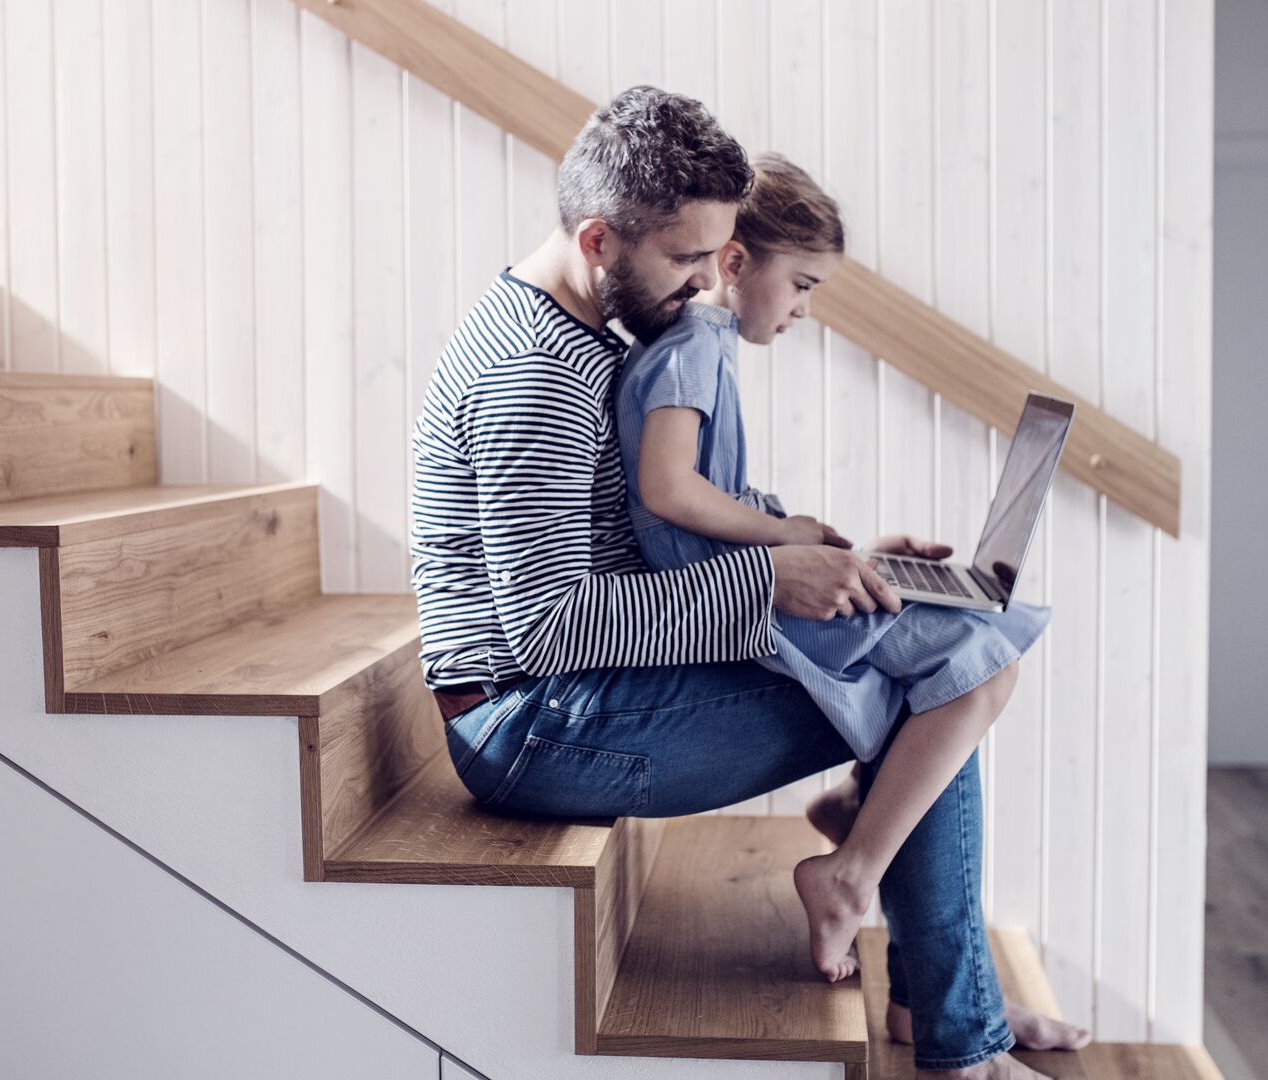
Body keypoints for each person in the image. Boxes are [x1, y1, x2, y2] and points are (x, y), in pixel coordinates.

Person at [409, 85, 1088, 1078]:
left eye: (719, 255)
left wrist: (838, 566)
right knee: (936, 680)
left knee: (936, 653)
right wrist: (773, 581)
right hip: (529, 725)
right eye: (687, 260)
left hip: (579, 692)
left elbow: (646, 535)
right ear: (599, 240)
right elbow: (549, 628)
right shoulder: (534, 375)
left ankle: (941, 992)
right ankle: (957, 1032)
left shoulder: (583, 327)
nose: (705, 284)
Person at [612, 152, 1050, 984]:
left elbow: (700, 488)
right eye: (804, 285)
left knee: (969, 647)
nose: (806, 309)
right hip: (739, 602)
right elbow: (667, 489)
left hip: (749, 581)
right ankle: (850, 872)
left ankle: (859, 810)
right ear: (736, 264)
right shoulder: (695, 347)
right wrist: (784, 538)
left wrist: (808, 538)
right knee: (985, 666)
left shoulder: (698, 344)